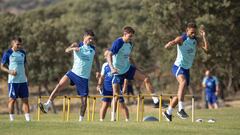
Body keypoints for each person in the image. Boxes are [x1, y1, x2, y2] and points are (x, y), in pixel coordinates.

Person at [39, 29, 100, 122]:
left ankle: (81, 121)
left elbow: (96, 59)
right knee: (59, 85)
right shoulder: (77, 44)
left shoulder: (93, 49)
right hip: (73, 73)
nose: (91, 40)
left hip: (84, 78)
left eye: (92, 39)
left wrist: (98, 70)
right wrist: (73, 48)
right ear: (84, 37)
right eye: (89, 38)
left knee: (84, 102)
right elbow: (66, 50)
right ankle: (47, 105)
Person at [107, 26, 160, 121]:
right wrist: (112, 68)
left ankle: (156, 101)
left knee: (146, 78)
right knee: (116, 95)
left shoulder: (130, 44)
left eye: (132, 36)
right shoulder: (118, 42)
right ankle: (113, 117)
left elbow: (129, 57)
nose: (131, 38)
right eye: (129, 36)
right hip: (117, 72)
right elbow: (109, 55)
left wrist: (137, 67)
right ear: (125, 34)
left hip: (127, 69)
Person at [163, 23, 209, 122]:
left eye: (194, 32)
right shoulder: (182, 39)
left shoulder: (195, 40)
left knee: (180, 93)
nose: (193, 34)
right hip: (178, 67)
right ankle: (181, 109)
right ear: (187, 31)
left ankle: (168, 112)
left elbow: (206, 50)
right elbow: (174, 41)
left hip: (187, 69)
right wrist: (169, 44)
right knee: (183, 83)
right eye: (191, 32)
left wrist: (204, 37)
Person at [1, 37, 31, 121]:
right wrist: (9, 71)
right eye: (17, 44)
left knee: (25, 100)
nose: (19, 46)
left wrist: (27, 78)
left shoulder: (23, 53)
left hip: (23, 81)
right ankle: (12, 120)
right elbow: (1, 67)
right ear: (12, 44)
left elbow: (25, 66)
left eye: (20, 44)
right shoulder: (8, 53)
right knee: (12, 100)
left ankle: (28, 120)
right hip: (13, 81)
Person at [97, 50, 129, 121]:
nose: (107, 56)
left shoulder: (118, 64)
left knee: (122, 104)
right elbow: (102, 77)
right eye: (106, 55)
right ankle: (101, 120)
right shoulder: (105, 65)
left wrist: (124, 86)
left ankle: (127, 120)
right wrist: (99, 85)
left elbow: (125, 76)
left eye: (109, 54)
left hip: (117, 87)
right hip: (107, 88)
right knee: (105, 104)